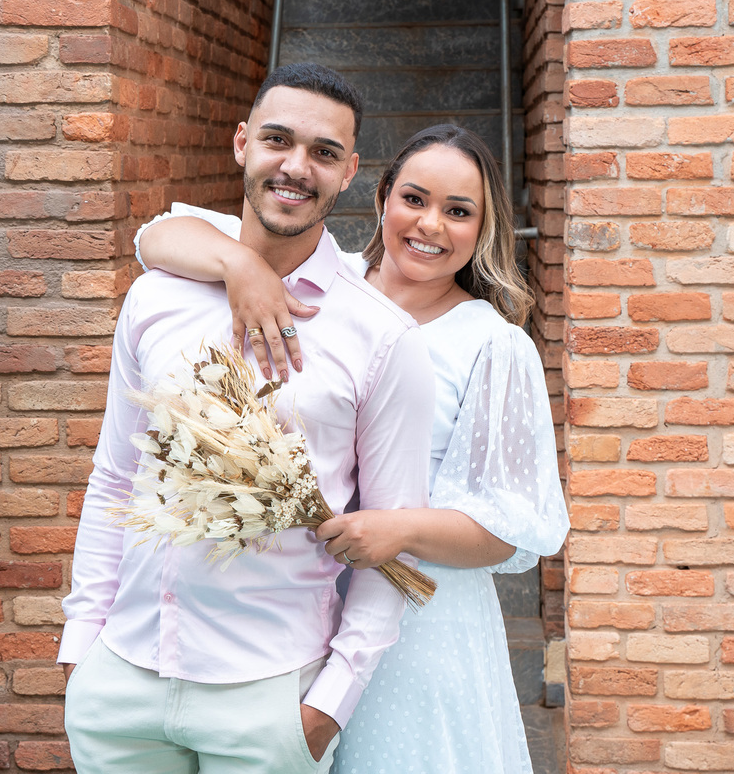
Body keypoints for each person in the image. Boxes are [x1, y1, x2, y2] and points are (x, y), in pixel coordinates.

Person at [135, 124, 570, 773]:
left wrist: (396, 530)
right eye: (414, 199)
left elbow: (504, 533)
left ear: (483, 230)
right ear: (380, 198)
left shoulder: (492, 345)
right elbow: (158, 236)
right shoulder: (321, 288)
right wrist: (242, 263)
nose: (430, 225)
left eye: (458, 212)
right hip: (297, 615)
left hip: (423, 632)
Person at [58, 63, 437, 774]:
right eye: (277, 141)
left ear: (350, 171)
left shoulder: (383, 339)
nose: (296, 167)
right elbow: (115, 478)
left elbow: (392, 538)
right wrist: (83, 651)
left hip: (268, 694)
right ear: (242, 144)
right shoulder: (156, 297)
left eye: (323, 153)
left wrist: (326, 709)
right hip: (124, 682)